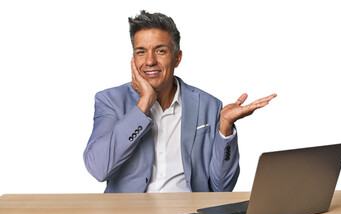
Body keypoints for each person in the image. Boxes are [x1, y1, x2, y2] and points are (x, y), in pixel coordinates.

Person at [83, 10, 276, 193]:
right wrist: (144, 104)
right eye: (141, 52)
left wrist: (225, 127)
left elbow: (222, 188)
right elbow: (98, 169)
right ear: (133, 59)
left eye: (160, 51)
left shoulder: (208, 105)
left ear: (177, 58)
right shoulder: (109, 100)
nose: (149, 61)